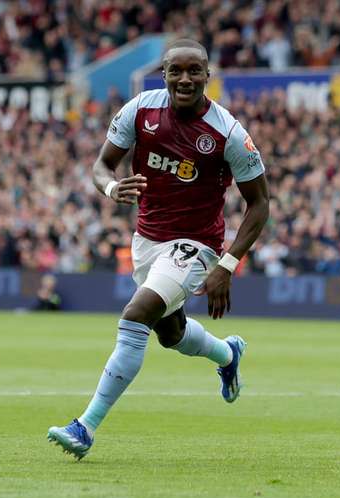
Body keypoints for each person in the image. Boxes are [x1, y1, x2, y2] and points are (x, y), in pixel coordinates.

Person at [47, 39, 270, 459]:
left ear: (208, 75)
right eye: (175, 71)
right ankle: (227, 353)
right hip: (147, 240)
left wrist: (227, 263)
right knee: (170, 334)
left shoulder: (229, 133)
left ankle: (85, 427)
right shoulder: (140, 109)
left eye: (194, 71)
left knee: (136, 316)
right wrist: (112, 187)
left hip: (196, 245)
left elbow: (260, 203)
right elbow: (101, 166)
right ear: (163, 73)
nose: (185, 79)